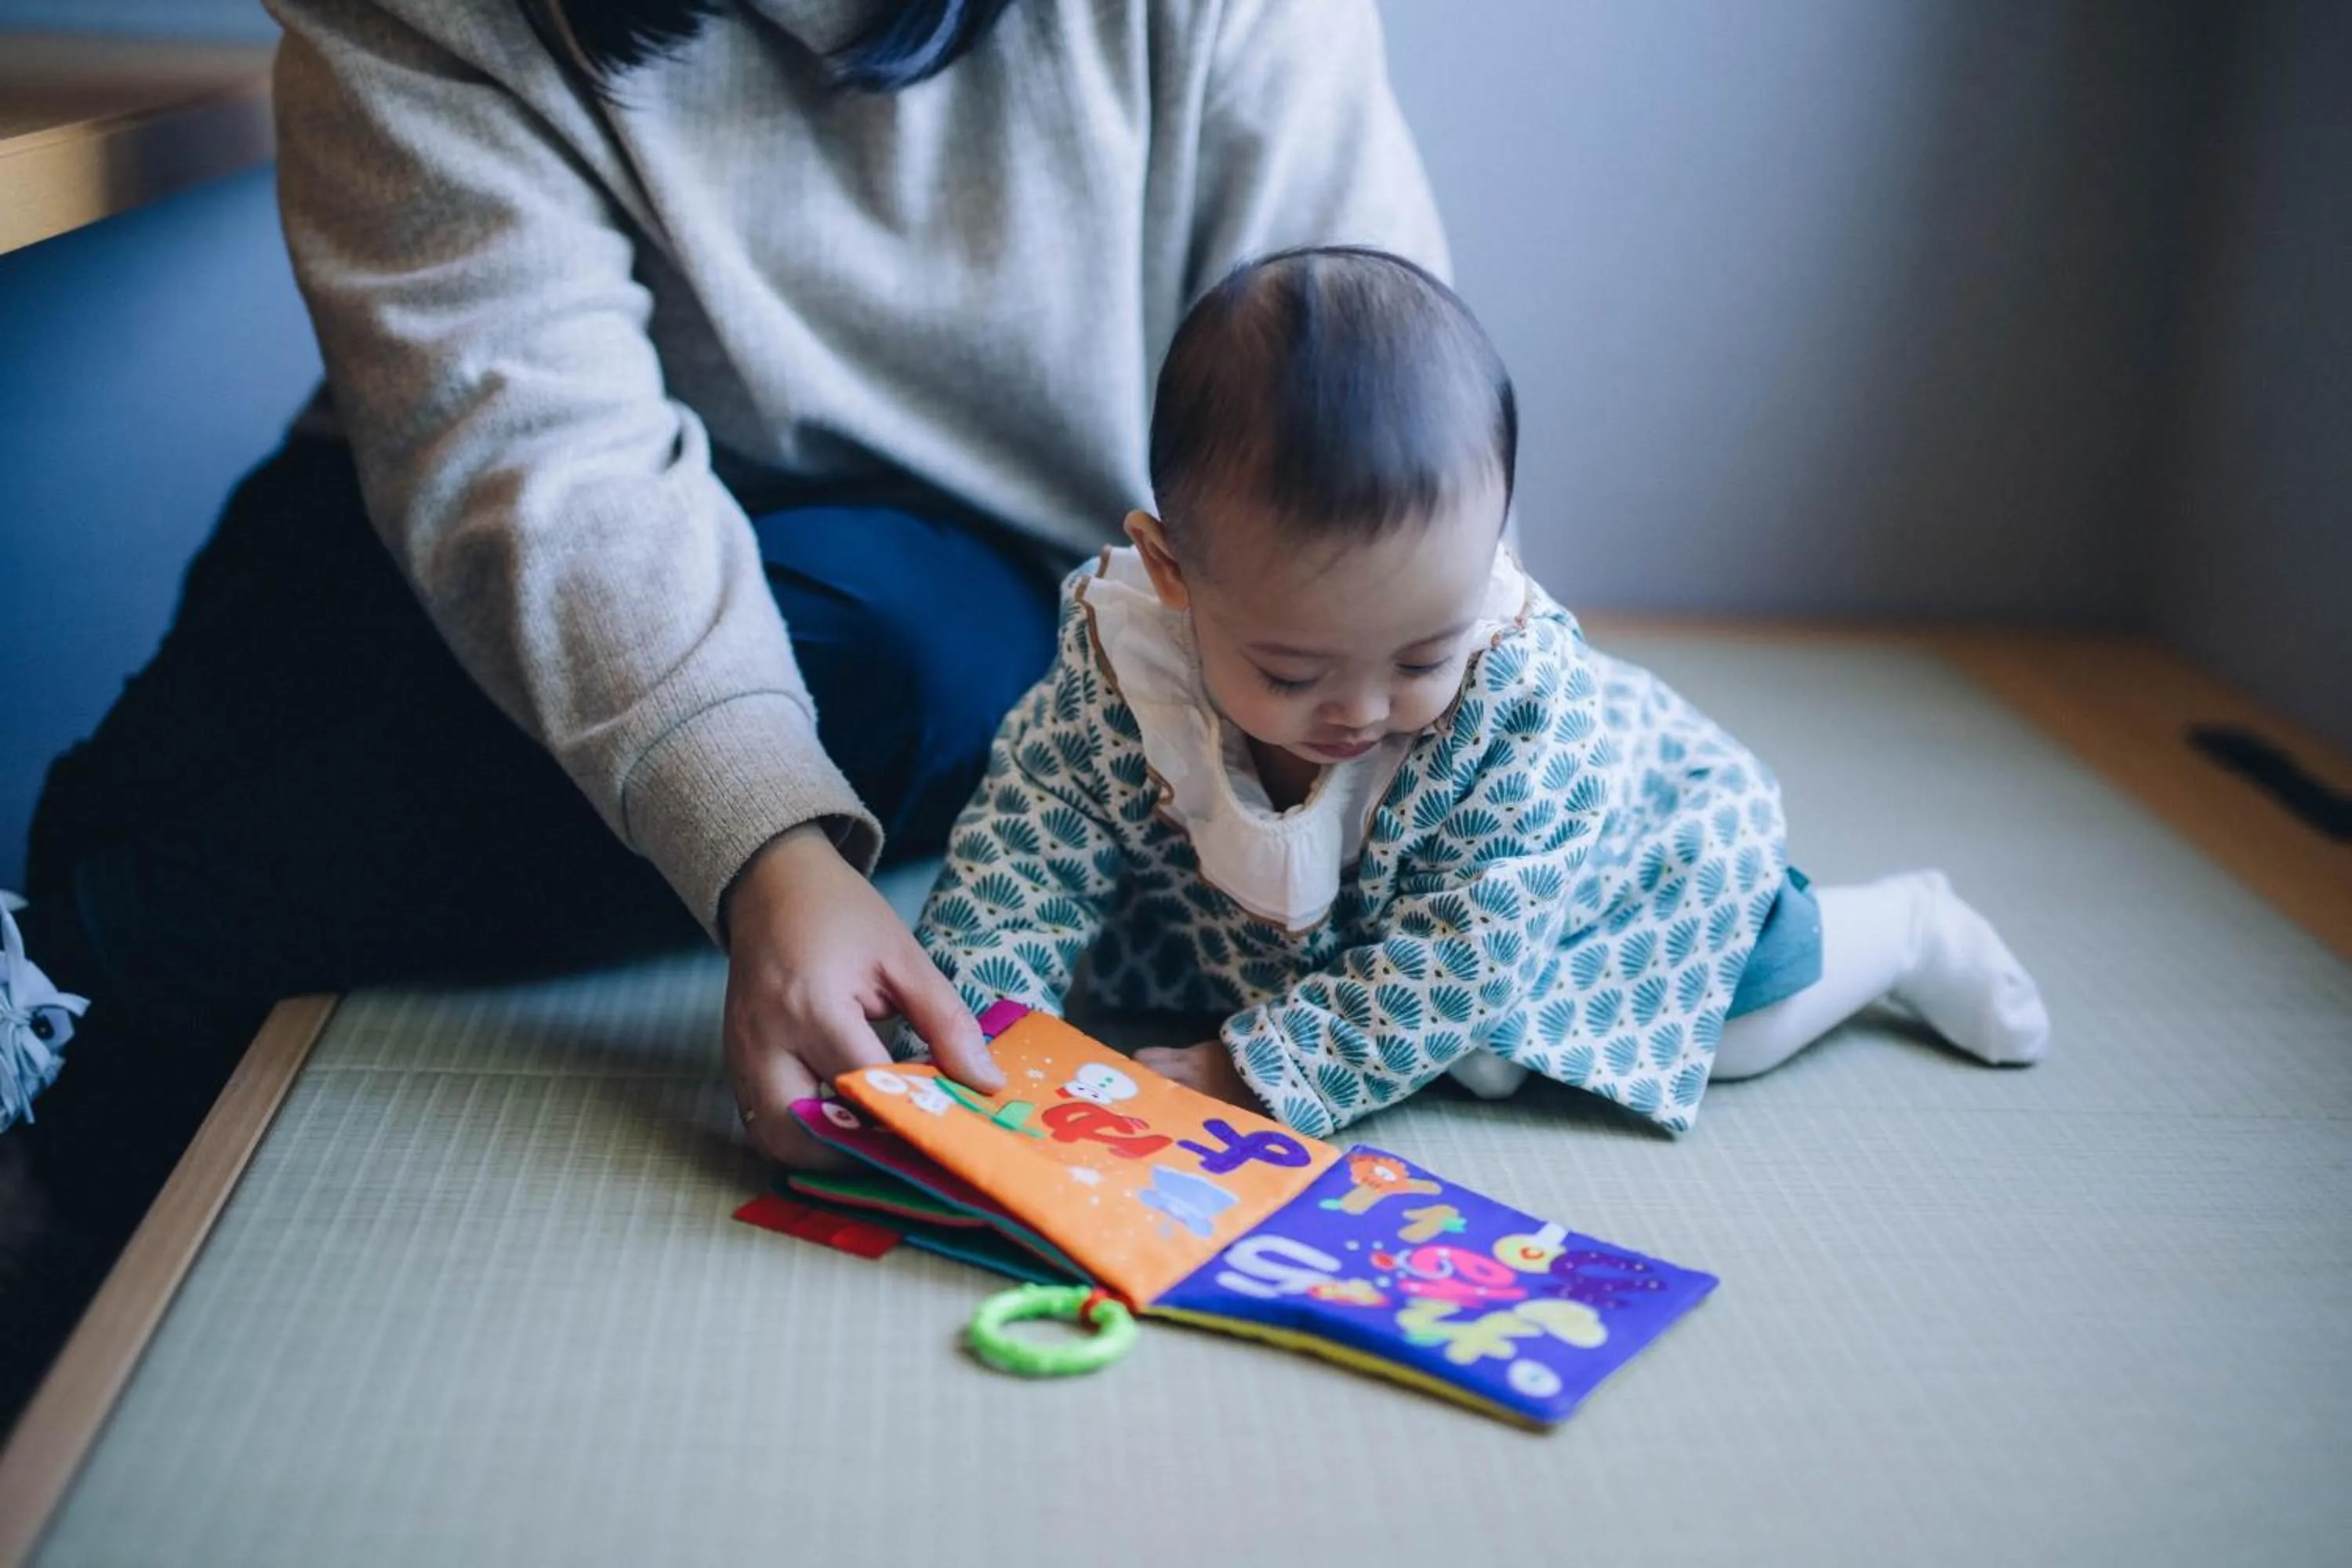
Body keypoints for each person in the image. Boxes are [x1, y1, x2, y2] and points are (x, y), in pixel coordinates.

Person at [16, 0, 1450, 1169]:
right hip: (459, 553)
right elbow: (539, 462)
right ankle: (73, 966)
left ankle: (93, 958)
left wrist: (1410, 757)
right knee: (151, 906)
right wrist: (764, 850)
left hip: (923, 597)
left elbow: (1367, 414)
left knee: (932, 658)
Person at [906, 247, 2051, 1136]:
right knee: (1115, 974)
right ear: (1173, 575)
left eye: (1419, 657)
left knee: (1727, 1022)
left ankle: (1902, 929)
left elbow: (1471, 950)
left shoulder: (1520, 708)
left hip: (1594, 871)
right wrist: (968, 1032)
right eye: (1292, 671)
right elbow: (1029, 844)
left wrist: (1255, 1069)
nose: (1361, 712)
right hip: (1286, 930)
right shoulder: (1119, 667)